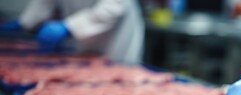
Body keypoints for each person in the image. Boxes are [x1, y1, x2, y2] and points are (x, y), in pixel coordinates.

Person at [0, 0, 144, 63]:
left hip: (115, 36)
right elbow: (46, 1)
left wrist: (69, 27)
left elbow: (113, 6)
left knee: (119, 83)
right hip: (80, 33)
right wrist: (25, 21)